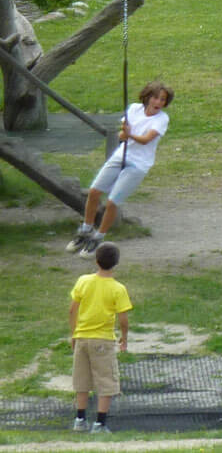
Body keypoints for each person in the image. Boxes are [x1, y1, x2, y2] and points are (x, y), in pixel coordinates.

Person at [68, 81, 173, 256]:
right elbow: (121, 135)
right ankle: (85, 231)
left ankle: (98, 237)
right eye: (156, 98)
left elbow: (146, 139)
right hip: (121, 156)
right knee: (94, 192)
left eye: (163, 100)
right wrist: (124, 134)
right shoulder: (133, 109)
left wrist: (129, 134)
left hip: (138, 165)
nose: (158, 102)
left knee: (112, 202)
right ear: (147, 97)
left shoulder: (162, 119)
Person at [69, 241, 131, 434]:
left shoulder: (83, 281)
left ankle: (80, 420)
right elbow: (123, 319)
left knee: (82, 380)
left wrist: (74, 334)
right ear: (116, 264)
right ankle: (100, 423)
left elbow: (73, 310)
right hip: (103, 339)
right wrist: (124, 338)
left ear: (96, 261)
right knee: (106, 380)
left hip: (82, 337)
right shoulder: (117, 288)